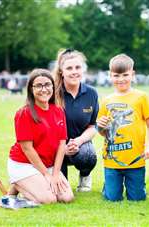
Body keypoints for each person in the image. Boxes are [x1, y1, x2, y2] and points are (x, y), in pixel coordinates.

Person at [7, 68, 74, 204]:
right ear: (31, 89)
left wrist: (55, 174)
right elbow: (27, 149)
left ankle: (25, 184)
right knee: (49, 199)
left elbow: (62, 145)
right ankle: (17, 182)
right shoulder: (24, 113)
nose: (44, 89)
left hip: (48, 164)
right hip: (24, 164)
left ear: (53, 87)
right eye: (38, 85)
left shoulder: (58, 111)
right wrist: (46, 175)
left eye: (47, 84)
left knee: (66, 198)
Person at [96, 54, 149, 201]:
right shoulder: (106, 100)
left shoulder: (141, 97)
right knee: (112, 198)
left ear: (132, 74)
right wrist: (100, 126)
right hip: (113, 159)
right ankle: (109, 186)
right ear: (110, 76)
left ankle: (137, 187)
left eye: (125, 75)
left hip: (135, 159)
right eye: (116, 75)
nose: (121, 79)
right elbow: (102, 132)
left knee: (137, 199)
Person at [53, 49, 99, 192]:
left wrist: (78, 141)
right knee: (61, 193)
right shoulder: (53, 93)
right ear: (61, 71)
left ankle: (85, 176)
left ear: (83, 69)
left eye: (77, 67)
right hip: (54, 147)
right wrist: (62, 149)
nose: (74, 72)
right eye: (69, 68)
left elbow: (93, 126)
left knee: (88, 156)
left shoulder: (91, 93)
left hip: (78, 145)